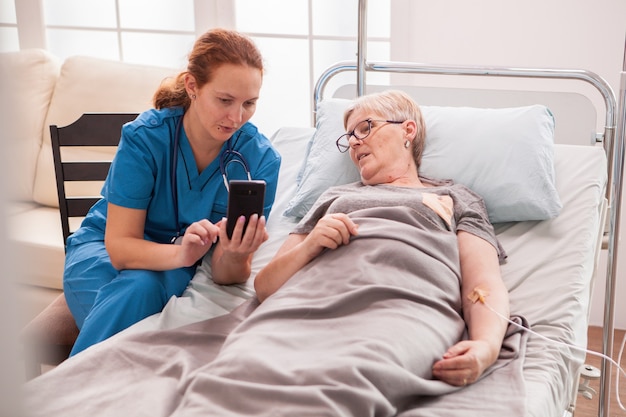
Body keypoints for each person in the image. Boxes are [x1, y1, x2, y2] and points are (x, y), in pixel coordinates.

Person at [253, 89, 510, 388]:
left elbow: (482, 284)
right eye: (349, 136)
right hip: (308, 307)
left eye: (366, 127)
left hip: (401, 311)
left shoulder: (456, 197)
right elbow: (265, 287)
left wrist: (486, 347)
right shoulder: (335, 196)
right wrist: (310, 245)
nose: (353, 141)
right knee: (246, 372)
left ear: (407, 130)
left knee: (351, 377)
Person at [63, 28, 281, 356]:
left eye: (249, 104)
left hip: (176, 266)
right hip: (104, 253)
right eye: (225, 100)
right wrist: (183, 254)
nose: (236, 117)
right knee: (139, 288)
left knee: (143, 288)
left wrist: (236, 254)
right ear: (192, 86)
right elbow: (121, 248)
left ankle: (74, 394)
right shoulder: (145, 139)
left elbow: (226, 274)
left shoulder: (260, 160)